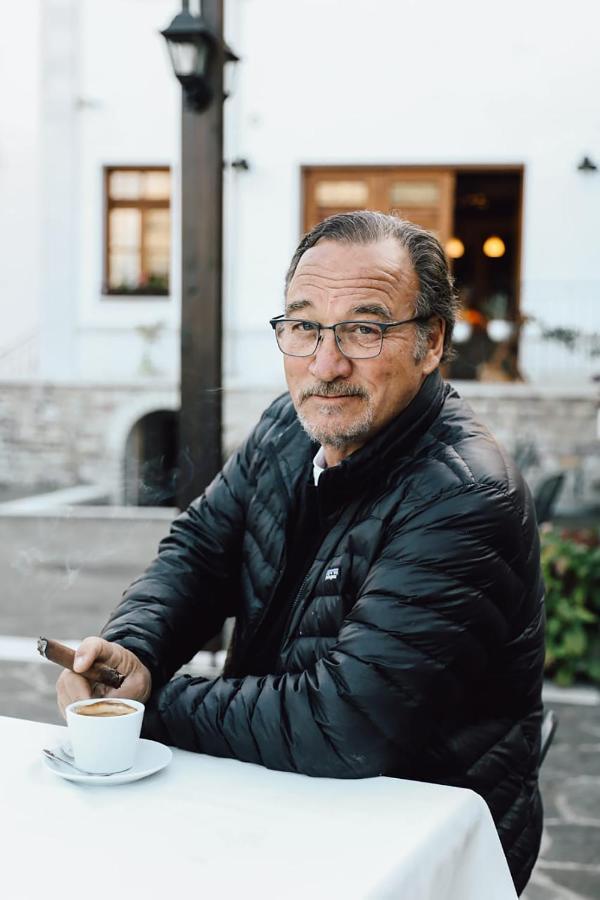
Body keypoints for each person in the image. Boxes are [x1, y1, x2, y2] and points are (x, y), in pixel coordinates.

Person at [56, 211, 544, 895]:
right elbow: (200, 550)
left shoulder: (464, 494)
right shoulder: (288, 426)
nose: (326, 363)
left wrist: (149, 702)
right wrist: (135, 647)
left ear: (431, 341)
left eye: (365, 329)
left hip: (418, 835)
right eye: (305, 325)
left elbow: (346, 721)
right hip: (284, 788)